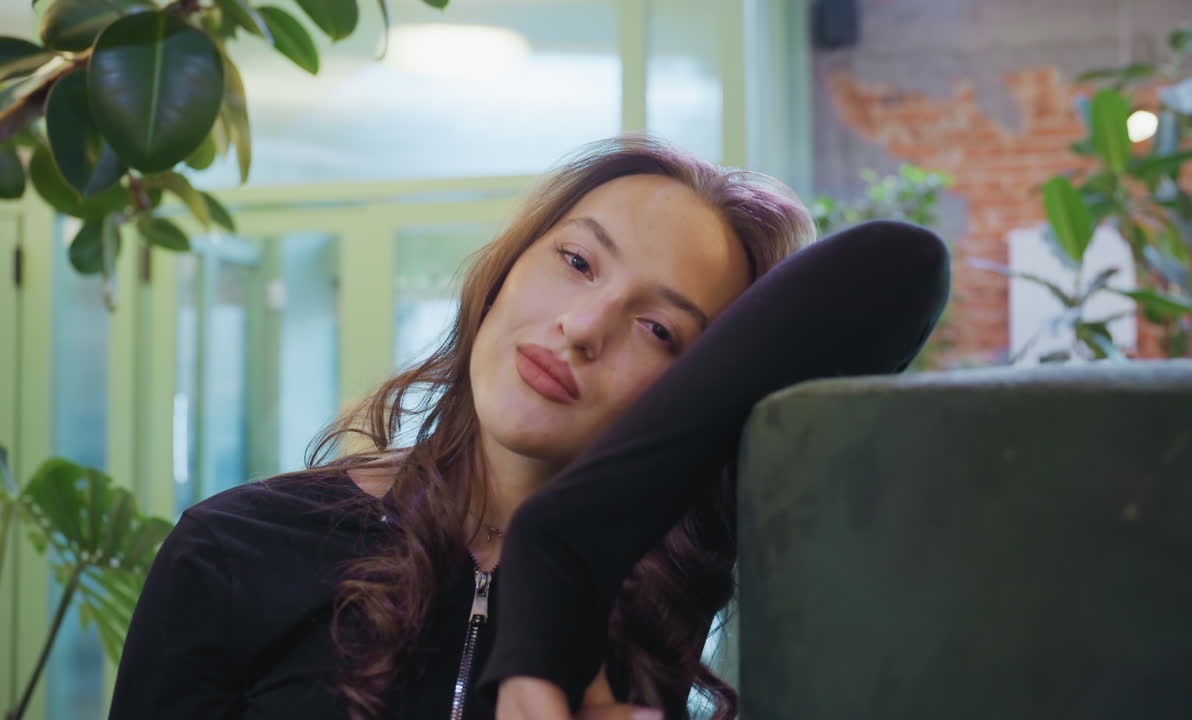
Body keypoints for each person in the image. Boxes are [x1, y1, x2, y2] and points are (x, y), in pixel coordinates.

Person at [107, 135, 949, 720]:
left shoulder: (657, 611)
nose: (585, 327)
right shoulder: (234, 548)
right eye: (576, 262)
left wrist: (557, 543)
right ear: (506, 270)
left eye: (660, 331)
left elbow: (904, 267)